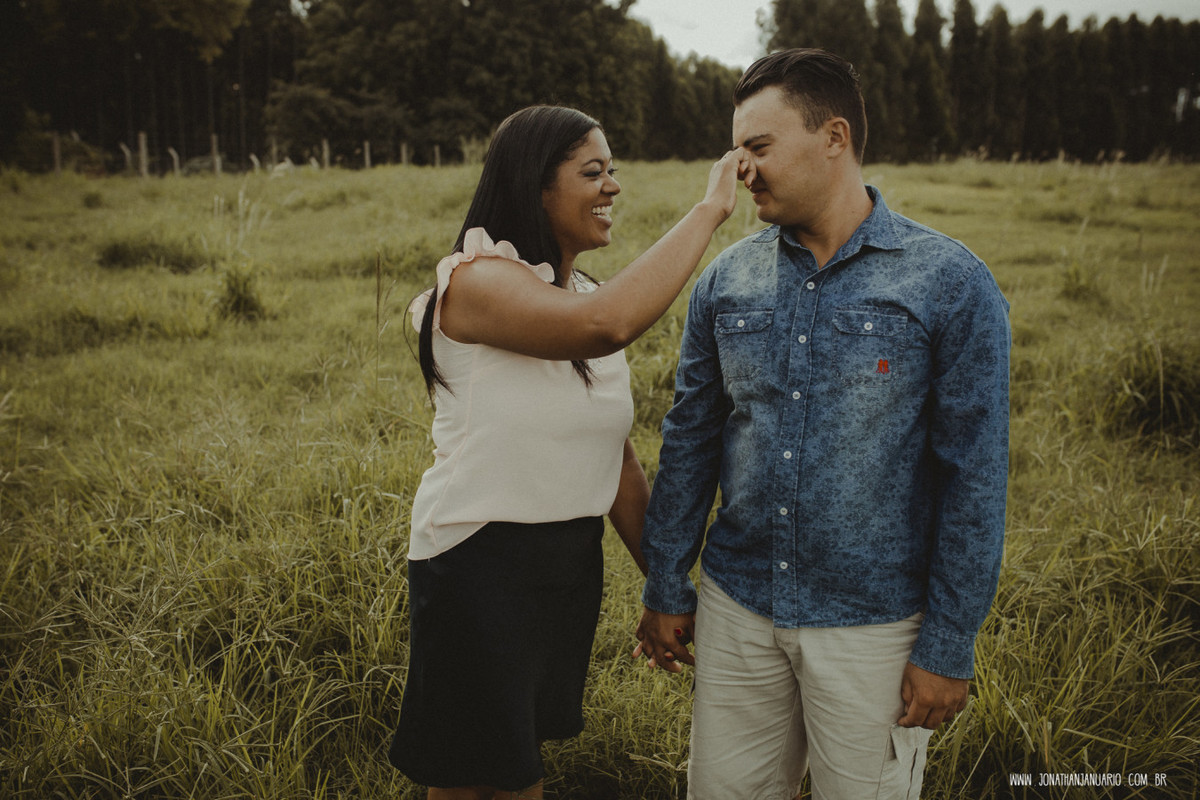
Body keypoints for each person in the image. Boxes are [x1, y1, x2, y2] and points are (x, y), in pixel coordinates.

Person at [633, 48, 1011, 799]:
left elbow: (976, 473)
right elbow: (691, 437)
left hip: (875, 628)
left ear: (834, 136)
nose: (741, 169)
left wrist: (948, 641)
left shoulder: (948, 282)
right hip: (737, 612)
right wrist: (666, 581)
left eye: (759, 147)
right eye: (737, 149)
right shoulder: (725, 279)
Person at [388, 105, 745, 800]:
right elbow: (606, 325)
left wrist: (666, 584)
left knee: (510, 765)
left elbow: (616, 465)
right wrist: (710, 211)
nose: (613, 187)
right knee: (491, 777)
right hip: (479, 562)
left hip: (565, 567)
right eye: (592, 172)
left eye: (613, 171)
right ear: (535, 185)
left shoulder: (578, 292)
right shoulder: (476, 281)